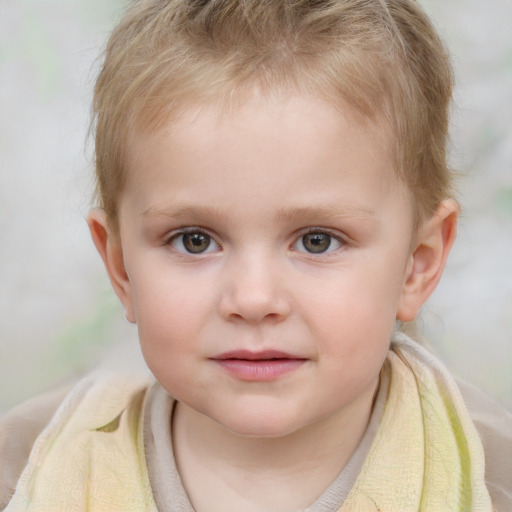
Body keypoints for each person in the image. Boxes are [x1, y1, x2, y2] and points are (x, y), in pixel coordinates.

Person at [1, 0, 511, 510]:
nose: (252, 298)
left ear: (417, 264)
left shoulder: (489, 479)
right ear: (121, 268)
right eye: (194, 240)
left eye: (317, 240)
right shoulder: (29, 473)